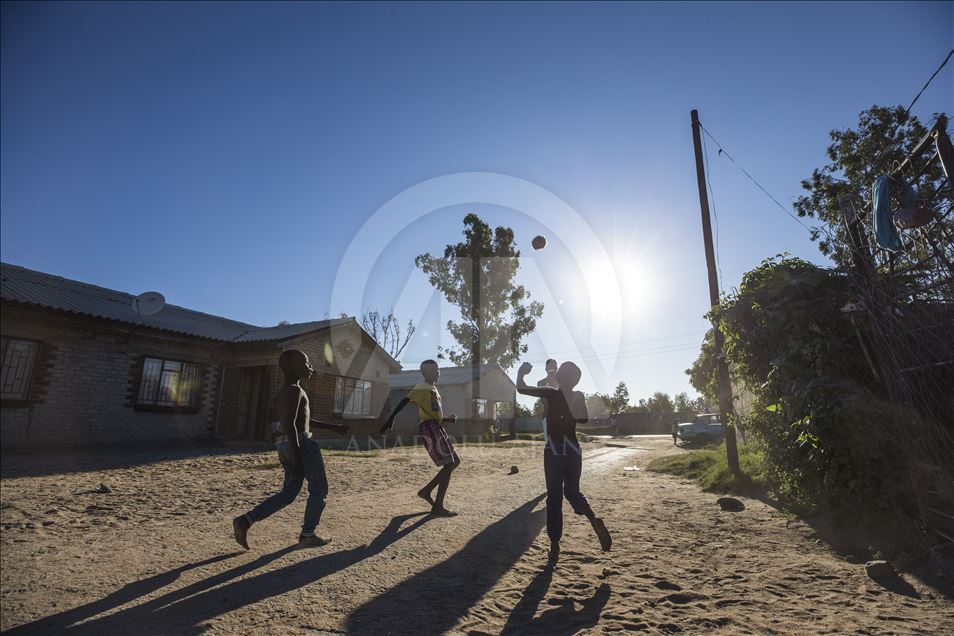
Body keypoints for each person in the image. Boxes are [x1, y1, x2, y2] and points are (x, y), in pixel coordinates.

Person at [232, 349, 348, 550]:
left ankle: (245, 520)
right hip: (300, 445)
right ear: (292, 367)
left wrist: (333, 427)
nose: (310, 367)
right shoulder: (294, 390)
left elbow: (302, 419)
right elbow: (290, 424)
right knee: (319, 489)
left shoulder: (286, 390)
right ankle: (308, 535)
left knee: (289, 493)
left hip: (284, 445)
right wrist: (298, 458)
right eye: (306, 362)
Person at [517, 361, 612, 562]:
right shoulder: (579, 396)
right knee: (573, 492)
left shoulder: (551, 393)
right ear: (576, 381)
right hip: (573, 450)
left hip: (554, 450)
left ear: (558, 376)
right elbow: (584, 419)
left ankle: (554, 545)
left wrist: (521, 373)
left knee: (554, 498)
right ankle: (592, 517)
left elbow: (521, 389)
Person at [381, 359, 460, 517]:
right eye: (435, 370)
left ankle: (426, 491)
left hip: (436, 425)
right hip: (429, 427)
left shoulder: (433, 389)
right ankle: (438, 506)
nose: (438, 372)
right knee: (449, 463)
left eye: (438, 369)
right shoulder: (422, 387)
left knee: (455, 461)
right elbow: (405, 400)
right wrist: (391, 418)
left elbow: (431, 412)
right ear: (426, 373)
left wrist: (447, 419)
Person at [536, 358, 559, 442]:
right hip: (547, 415)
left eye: (554, 366)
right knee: (548, 442)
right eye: (549, 366)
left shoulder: (562, 382)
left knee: (561, 441)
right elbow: (543, 400)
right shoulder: (540, 383)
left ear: (557, 368)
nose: (552, 368)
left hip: (561, 415)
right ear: (546, 369)